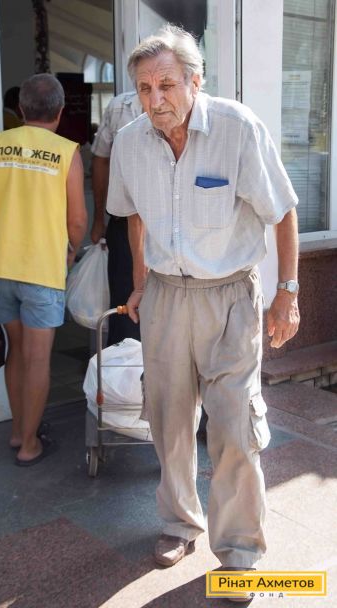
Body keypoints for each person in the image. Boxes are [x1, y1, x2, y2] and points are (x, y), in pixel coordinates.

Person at [106, 24, 300, 585]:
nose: (155, 100)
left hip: (230, 297)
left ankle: (239, 552)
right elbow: (133, 216)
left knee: (235, 425)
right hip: (166, 297)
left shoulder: (238, 128)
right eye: (145, 88)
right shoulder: (130, 141)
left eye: (166, 85)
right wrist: (140, 282)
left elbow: (282, 210)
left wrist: (287, 294)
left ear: (196, 81)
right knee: (168, 421)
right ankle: (178, 523)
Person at [0, 74, 87, 466]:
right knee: (37, 358)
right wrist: (71, 252)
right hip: (42, 270)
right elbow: (77, 220)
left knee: (16, 351)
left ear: (20, 109)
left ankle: (18, 430)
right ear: (60, 112)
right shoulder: (67, 152)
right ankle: (30, 444)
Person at [91, 91, 143, 345]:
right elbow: (100, 161)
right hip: (124, 223)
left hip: (173, 227)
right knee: (125, 309)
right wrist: (98, 219)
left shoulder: (193, 104)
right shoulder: (120, 106)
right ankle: (125, 367)